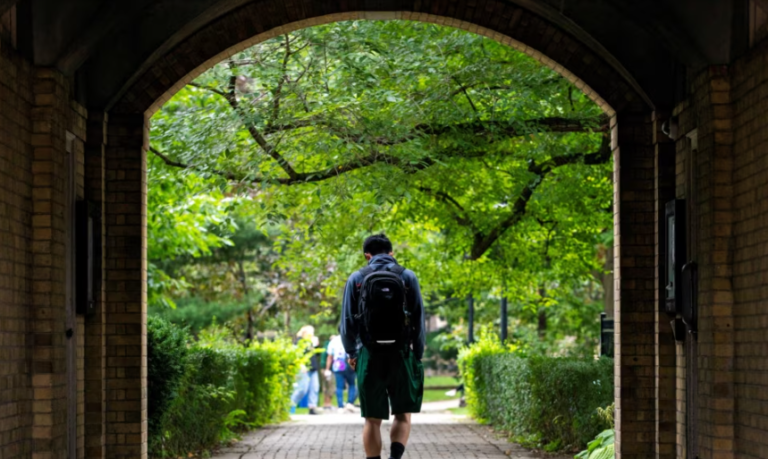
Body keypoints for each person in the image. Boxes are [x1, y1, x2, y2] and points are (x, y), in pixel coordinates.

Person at [340, 234, 425, 459]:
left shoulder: (357, 278)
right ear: (391, 253)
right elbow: (418, 318)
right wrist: (417, 354)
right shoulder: (407, 276)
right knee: (403, 414)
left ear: (367, 255)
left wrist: (351, 352)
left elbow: (347, 321)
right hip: (401, 353)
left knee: (372, 419)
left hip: (369, 354)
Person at [290, 325, 321, 415]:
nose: (313, 334)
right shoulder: (299, 342)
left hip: (313, 368)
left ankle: (312, 408)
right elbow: (295, 355)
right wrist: (301, 365)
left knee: (314, 388)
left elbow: (315, 355)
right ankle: (291, 405)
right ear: (305, 333)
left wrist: (315, 346)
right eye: (311, 332)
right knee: (302, 389)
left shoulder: (310, 342)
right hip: (303, 369)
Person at [325, 334, 358, 412]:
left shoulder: (334, 341)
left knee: (339, 386)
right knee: (352, 384)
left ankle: (340, 406)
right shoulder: (352, 337)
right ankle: (350, 403)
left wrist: (327, 369)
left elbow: (330, 356)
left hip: (338, 365)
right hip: (350, 364)